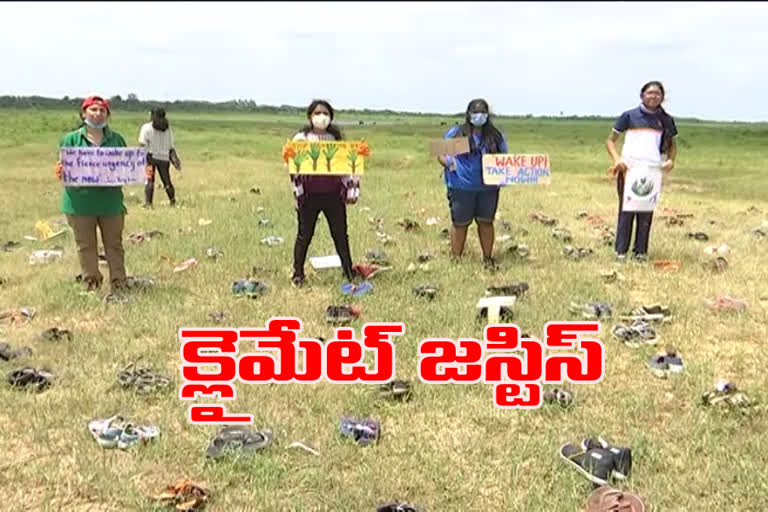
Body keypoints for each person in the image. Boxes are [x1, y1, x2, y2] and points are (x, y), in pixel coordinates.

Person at [54, 96, 130, 294]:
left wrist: (136, 170)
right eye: (93, 110)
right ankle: (91, 284)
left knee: (114, 245)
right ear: (84, 113)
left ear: (108, 115)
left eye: (102, 110)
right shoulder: (70, 140)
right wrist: (61, 170)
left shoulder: (117, 140)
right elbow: (65, 170)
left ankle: (120, 284)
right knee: (86, 246)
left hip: (110, 203)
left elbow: (125, 170)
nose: (97, 114)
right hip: (80, 204)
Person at [288, 99, 360, 287]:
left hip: (333, 195)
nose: (322, 117)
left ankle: (348, 271)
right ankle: (298, 273)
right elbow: (292, 164)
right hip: (309, 196)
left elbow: (345, 166)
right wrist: (288, 156)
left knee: (340, 234)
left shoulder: (336, 139)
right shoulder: (300, 139)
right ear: (310, 117)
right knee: (304, 235)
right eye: (317, 113)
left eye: (325, 113)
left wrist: (356, 161)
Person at [606, 81, 678, 263]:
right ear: (642, 95)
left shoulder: (666, 120)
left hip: (653, 170)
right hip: (629, 169)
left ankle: (640, 253)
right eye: (649, 93)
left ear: (662, 97)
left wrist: (670, 161)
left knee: (646, 211)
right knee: (626, 209)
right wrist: (617, 160)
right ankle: (620, 252)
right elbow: (610, 141)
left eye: (657, 94)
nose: (653, 96)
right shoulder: (629, 116)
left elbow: (672, 145)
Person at [437, 98, 508, 268]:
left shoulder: (495, 136)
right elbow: (440, 153)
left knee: (486, 222)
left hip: (488, 188)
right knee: (460, 224)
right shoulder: (458, 133)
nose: (479, 116)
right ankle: (456, 260)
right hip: (461, 187)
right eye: (475, 112)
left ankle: (487, 258)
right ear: (468, 114)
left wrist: (506, 174)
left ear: (487, 115)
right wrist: (449, 164)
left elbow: (504, 158)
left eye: (483, 112)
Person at [139, 107, 178, 207]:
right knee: (166, 181)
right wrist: (175, 160)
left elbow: (142, 144)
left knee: (150, 180)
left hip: (150, 157)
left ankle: (148, 203)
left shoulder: (146, 127)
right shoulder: (167, 129)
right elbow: (171, 147)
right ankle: (172, 201)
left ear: (152, 115)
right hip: (164, 158)